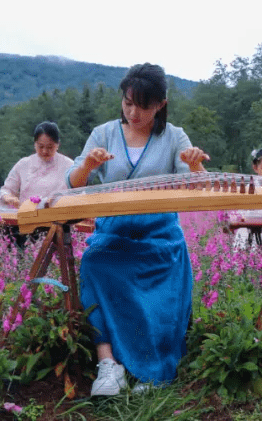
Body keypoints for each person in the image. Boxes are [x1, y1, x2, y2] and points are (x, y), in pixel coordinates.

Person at [69, 63, 209, 396]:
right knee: (94, 264)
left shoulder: (174, 136)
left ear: (161, 103)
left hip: (159, 235)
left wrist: (195, 164)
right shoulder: (104, 133)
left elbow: (196, 186)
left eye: (143, 106)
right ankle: (109, 365)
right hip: (114, 234)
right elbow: (73, 182)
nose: (134, 112)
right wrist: (89, 165)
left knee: (160, 285)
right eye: (128, 103)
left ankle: (153, 367)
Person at [0, 121, 73, 247]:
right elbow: (6, 190)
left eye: (50, 147)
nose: (44, 151)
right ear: (34, 144)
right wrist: (10, 198)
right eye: (40, 146)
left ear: (58, 145)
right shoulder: (24, 164)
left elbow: (78, 192)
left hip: (57, 224)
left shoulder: (69, 165)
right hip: (26, 223)